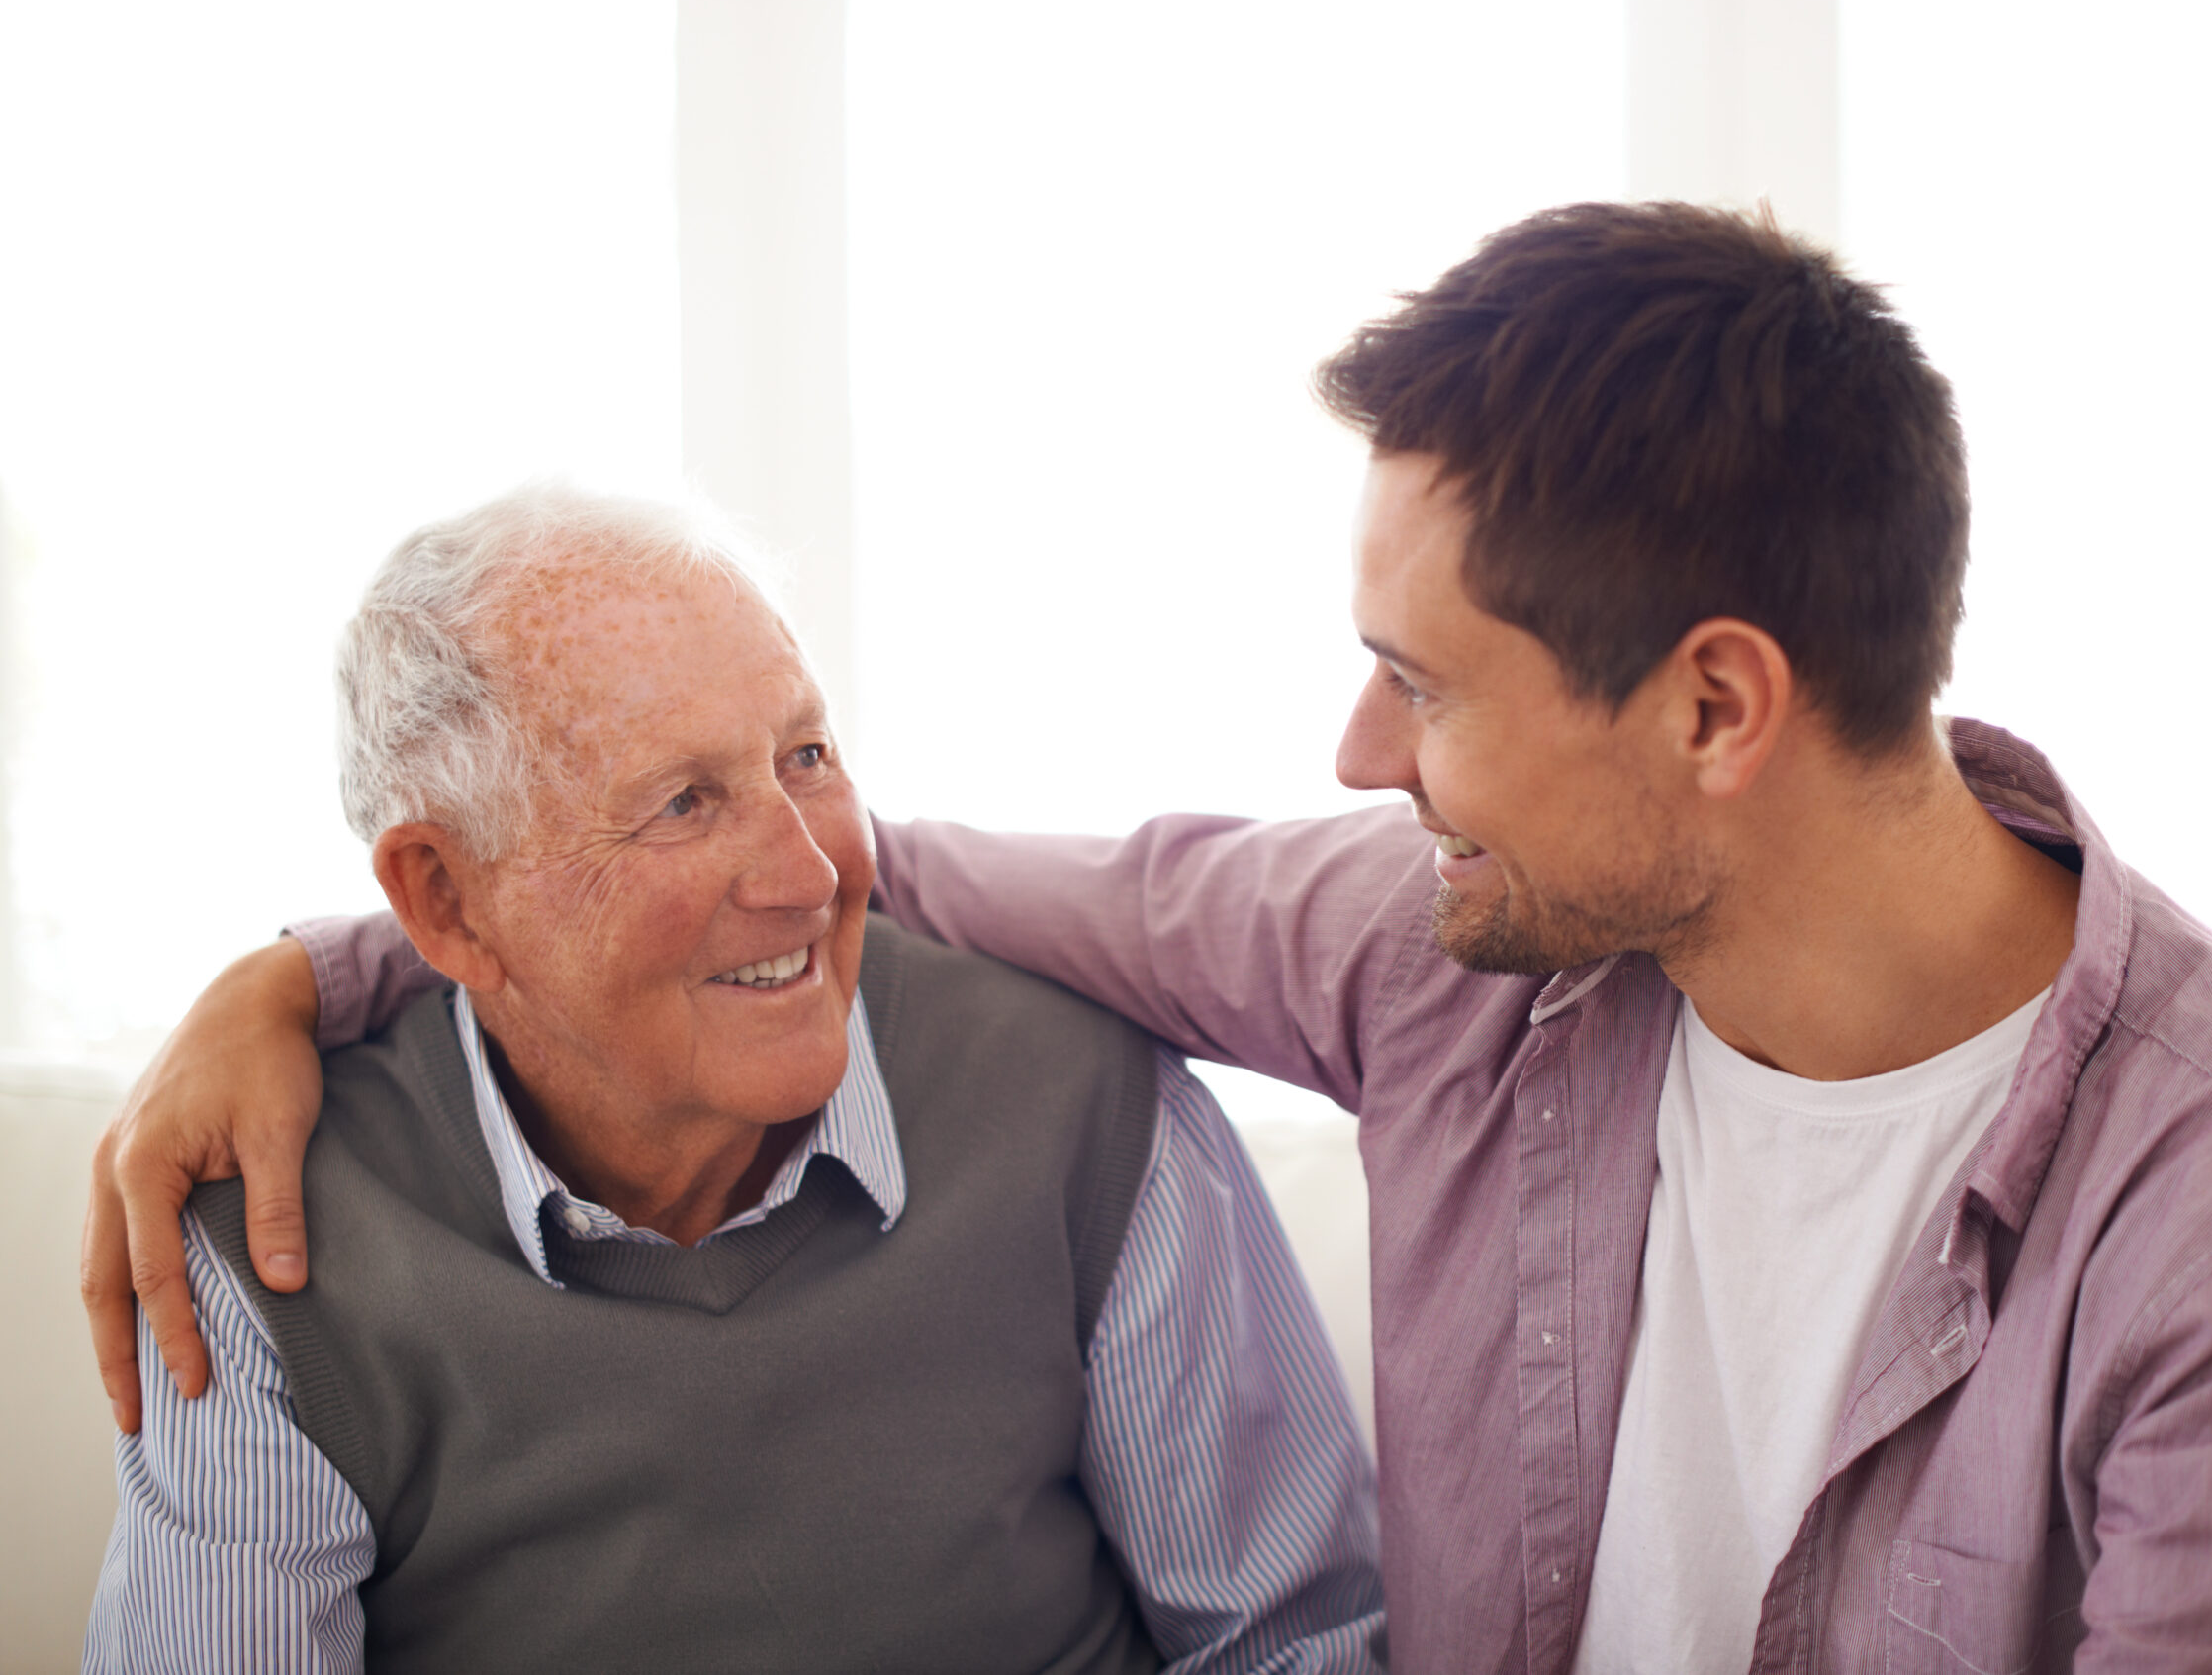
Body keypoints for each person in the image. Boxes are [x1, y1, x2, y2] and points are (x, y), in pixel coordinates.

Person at [90, 205, 2212, 1673]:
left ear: (1714, 704)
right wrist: (324, 970)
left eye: (1419, 686)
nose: (1347, 754)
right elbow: (827, 875)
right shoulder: (1445, 950)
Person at [80, 491, 1383, 1674]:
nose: (807, 874)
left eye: (805, 757)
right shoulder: (269, 1239)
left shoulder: (1085, 1101)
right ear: (446, 899)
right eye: (686, 802)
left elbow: (1296, 1648)